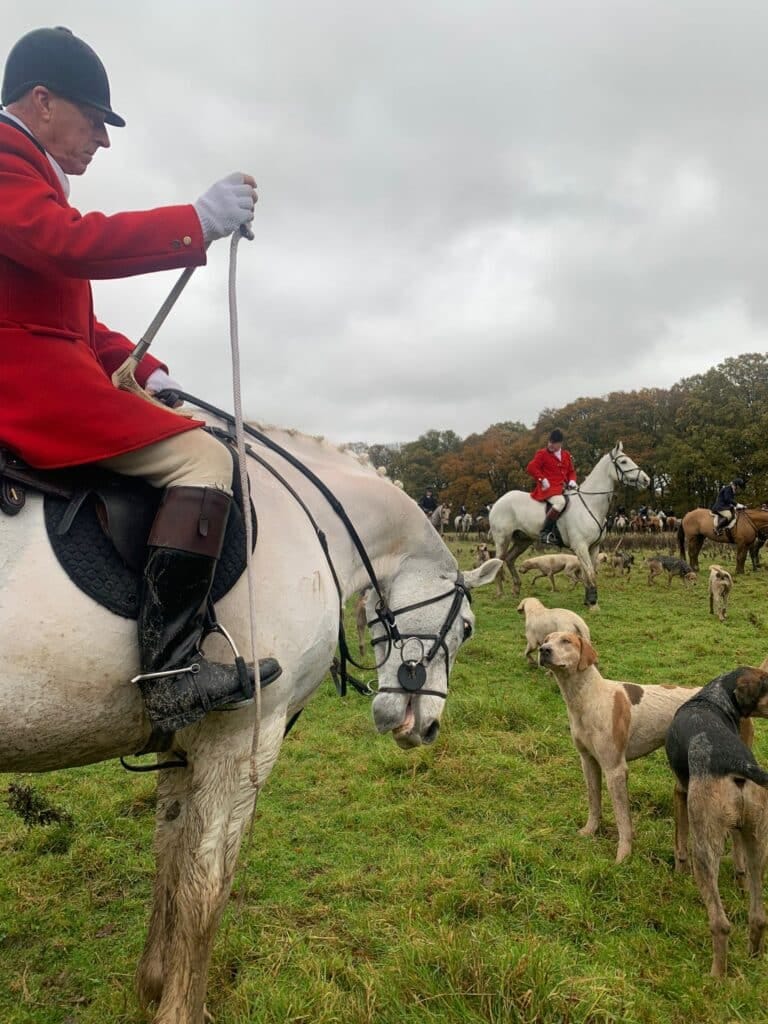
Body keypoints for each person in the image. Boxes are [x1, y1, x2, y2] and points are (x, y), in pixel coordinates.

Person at [0, 26, 279, 736]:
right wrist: (195, 222)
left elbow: (74, 322)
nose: (104, 138)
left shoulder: (32, 173)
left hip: (46, 367)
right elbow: (67, 245)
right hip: (22, 382)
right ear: (41, 101)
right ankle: (171, 671)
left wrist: (146, 368)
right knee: (205, 458)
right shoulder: (5, 162)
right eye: (94, 118)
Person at [526, 429, 577, 545]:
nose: (550, 444)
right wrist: (542, 478)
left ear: (560, 444)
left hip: (564, 488)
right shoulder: (542, 453)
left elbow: (571, 471)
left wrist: (573, 480)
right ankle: (545, 532)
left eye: (553, 443)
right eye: (549, 441)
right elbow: (531, 468)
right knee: (560, 503)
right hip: (548, 489)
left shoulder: (566, 455)